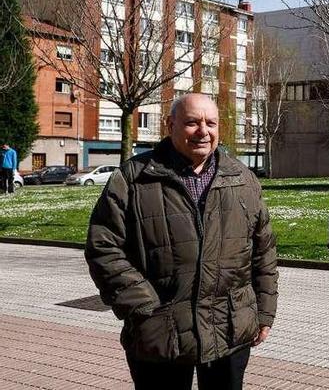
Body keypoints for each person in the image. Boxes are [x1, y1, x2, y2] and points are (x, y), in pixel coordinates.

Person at [85, 93, 278, 390]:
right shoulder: (133, 179)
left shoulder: (242, 178)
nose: (203, 131)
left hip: (229, 333)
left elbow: (263, 250)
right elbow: (104, 247)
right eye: (192, 122)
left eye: (210, 123)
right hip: (160, 335)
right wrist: (144, 308)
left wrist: (263, 313)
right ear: (169, 124)